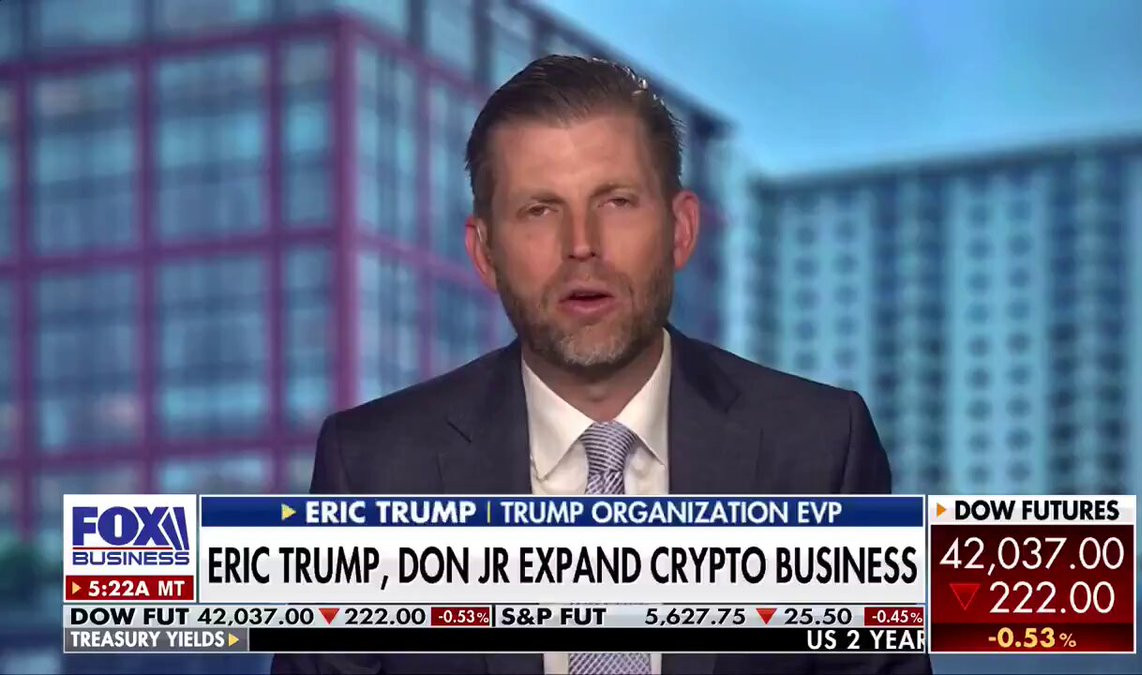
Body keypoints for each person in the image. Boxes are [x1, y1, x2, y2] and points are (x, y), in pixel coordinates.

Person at [273, 55, 932, 675]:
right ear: (485, 253)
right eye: (539, 210)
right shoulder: (375, 471)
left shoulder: (820, 452)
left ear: (680, 230)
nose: (582, 245)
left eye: (616, 201)